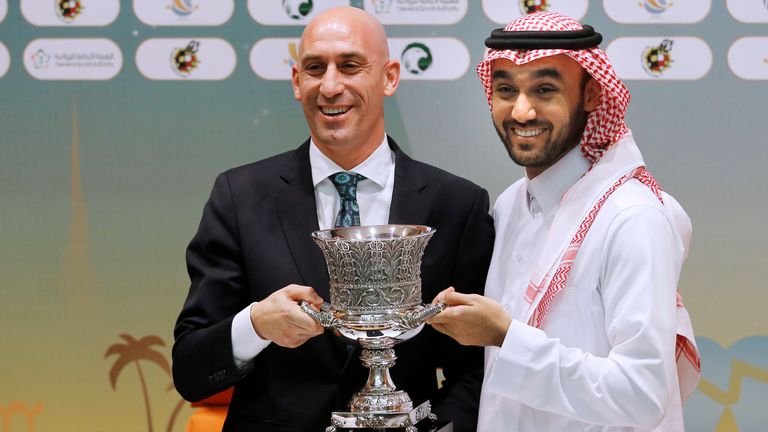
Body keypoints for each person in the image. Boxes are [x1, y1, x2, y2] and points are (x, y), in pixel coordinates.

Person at [171, 6, 494, 432]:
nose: (330, 86)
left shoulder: (457, 204)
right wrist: (255, 325)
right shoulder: (240, 197)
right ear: (296, 81)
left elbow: (475, 369)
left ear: (390, 77)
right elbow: (191, 369)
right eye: (314, 68)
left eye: (350, 66)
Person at [427, 11, 701, 431]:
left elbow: (643, 395)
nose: (521, 111)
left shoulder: (632, 217)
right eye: (505, 90)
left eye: (544, 89)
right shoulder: (511, 203)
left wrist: (506, 337)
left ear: (592, 94)